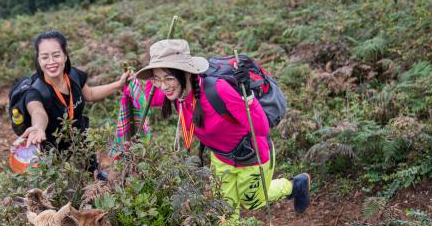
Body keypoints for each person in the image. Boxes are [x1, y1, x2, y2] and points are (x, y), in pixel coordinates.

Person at [135, 39, 311, 214]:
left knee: (253, 201)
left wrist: (247, 96)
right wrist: (137, 79)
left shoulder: (218, 89)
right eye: (158, 79)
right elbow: (150, 99)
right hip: (221, 157)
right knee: (225, 210)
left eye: (169, 78)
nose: (163, 86)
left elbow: (261, 128)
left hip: (251, 155)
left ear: (186, 73)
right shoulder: (173, 92)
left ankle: (296, 186)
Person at [20, 30, 129, 177]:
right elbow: (37, 111)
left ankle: (95, 174)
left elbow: (89, 94)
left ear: (65, 56)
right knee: (58, 183)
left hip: (79, 136)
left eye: (56, 55)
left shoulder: (73, 75)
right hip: (52, 145)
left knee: (93, 172)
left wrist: (118, 85)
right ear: (38, 60)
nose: (51, 62)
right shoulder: (36, 91)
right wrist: (38, 128)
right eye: (45, 57)